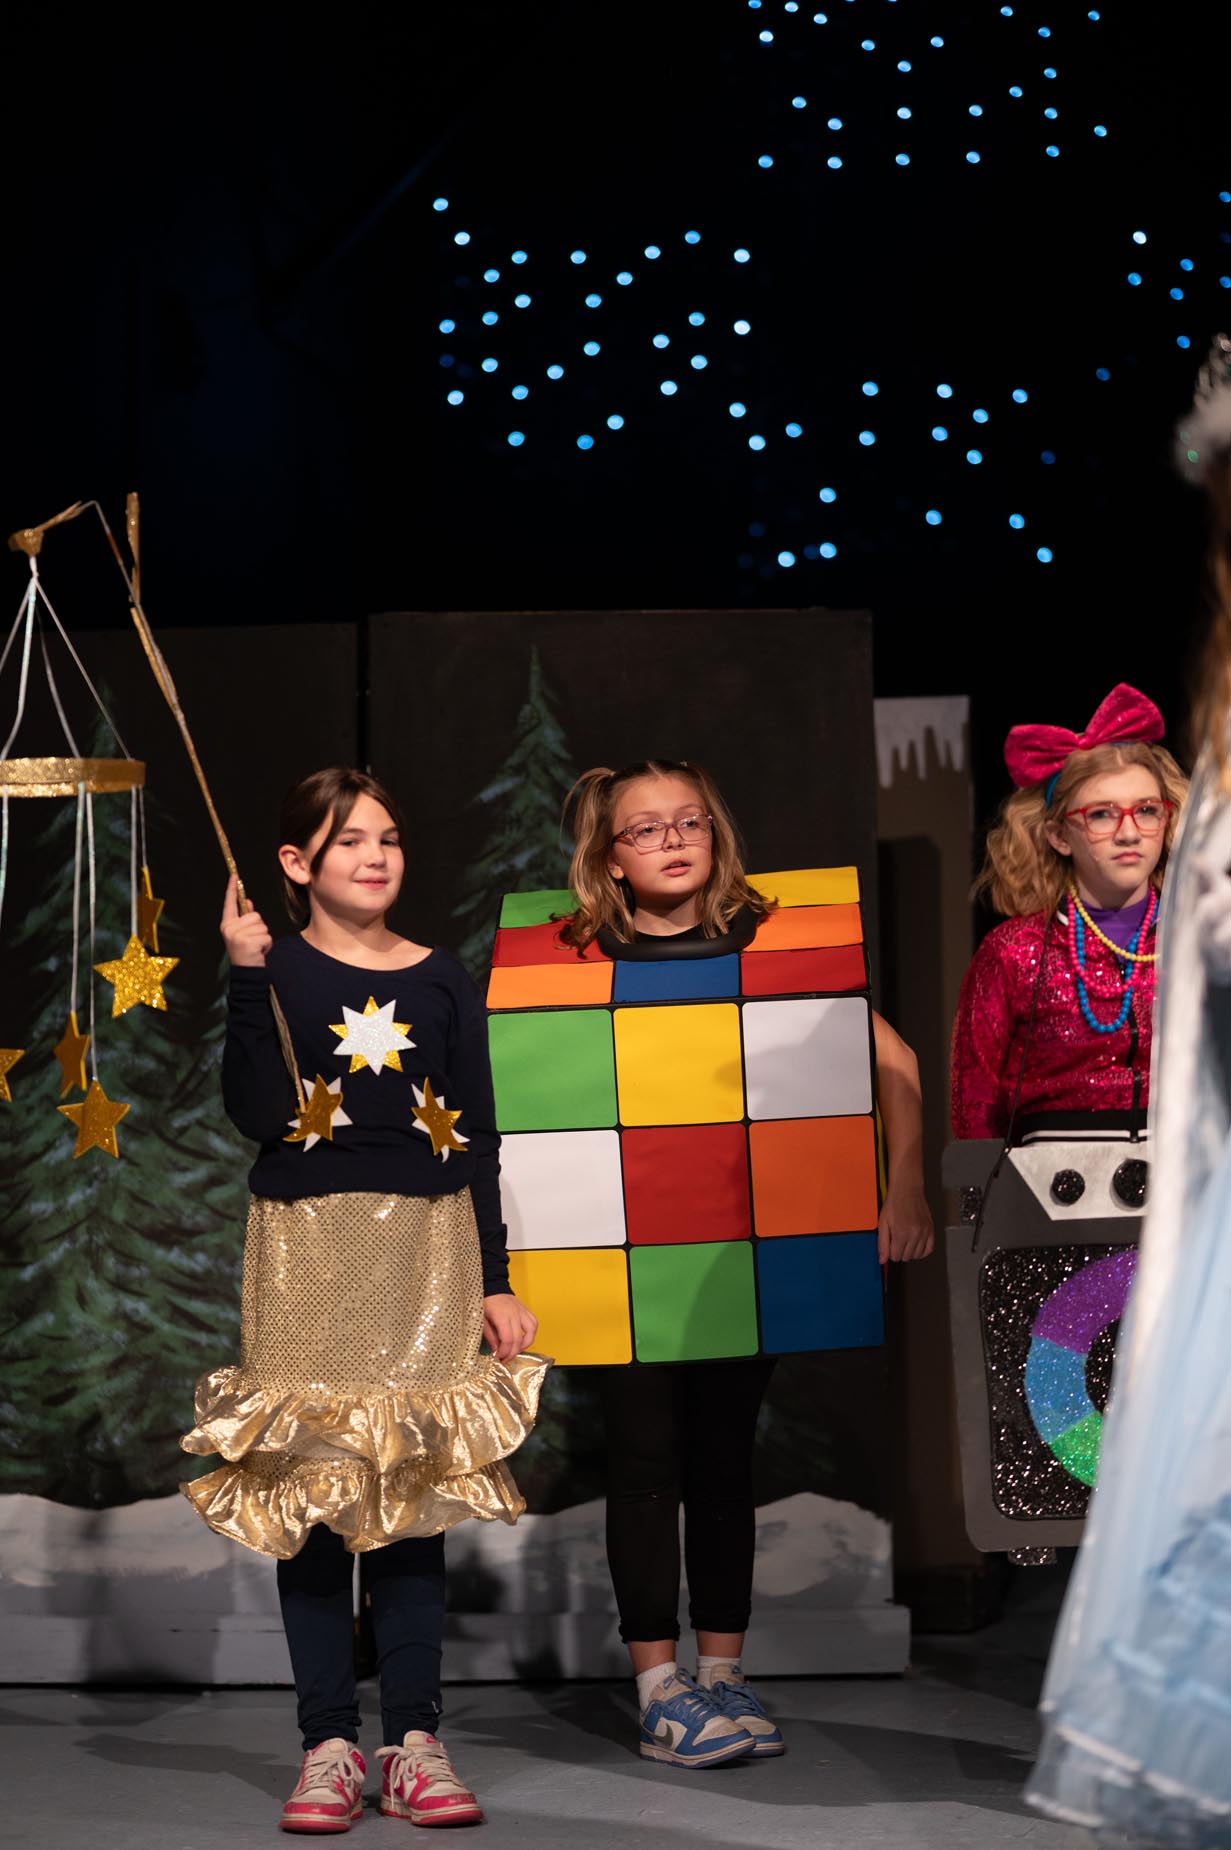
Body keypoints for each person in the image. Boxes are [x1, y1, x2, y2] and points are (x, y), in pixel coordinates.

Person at [180, 767, 545, 1834]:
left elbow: (476, 1134)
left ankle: (416, 1739)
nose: (375, 855)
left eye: (387, 836)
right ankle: (328, 1742)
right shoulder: (280, 966)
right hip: (309, 1250)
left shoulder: (440, 976)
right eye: (349, 840)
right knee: (314, 1497)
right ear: (296, 863)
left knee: (410, 1496)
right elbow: (258, 1111)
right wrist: (246, 974)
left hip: (427, 1250)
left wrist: (495, 1274)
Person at [559, 758, 933, 1769]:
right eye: (645, 828)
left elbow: (895, 1061)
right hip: (625, 1251)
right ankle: (657, 1686)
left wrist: (903, 1184)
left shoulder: (777, 945)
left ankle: (719, 1671)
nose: (673, 840)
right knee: (644, 1460)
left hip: (739, 1249)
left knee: (723, 1458)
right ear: (609, 857)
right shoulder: (573, 962)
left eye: (689, 821)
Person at [1027, 335, 1231, 1842]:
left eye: (1132, 810)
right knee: (1067, 1402)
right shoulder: (1030, 945)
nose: (1122, 831)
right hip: (1114, 1193)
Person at [952, 686, 1187, 1145]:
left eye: (1146, 811)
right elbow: (974, 1107)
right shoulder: (1013, 953)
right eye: (1102, 815)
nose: (1129, 833)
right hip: (1045, 1182)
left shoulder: (1198, 941)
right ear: (1059, 835)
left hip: (1182, 1177)